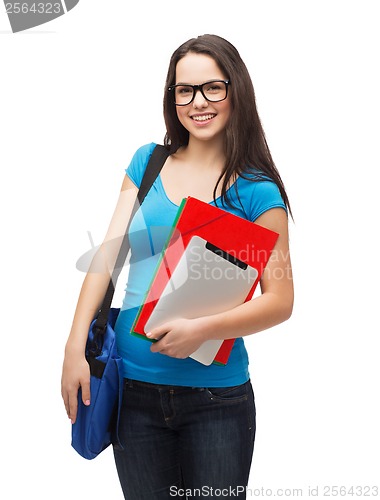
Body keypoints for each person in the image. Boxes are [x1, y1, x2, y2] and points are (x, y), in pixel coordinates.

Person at [61, 34, 294, 499]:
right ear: (173, 98)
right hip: (132, 392)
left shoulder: (256, 189)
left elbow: (281, 300)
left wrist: (202, 328)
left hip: (216, 401)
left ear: (236, 91)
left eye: (213, 88)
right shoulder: (147, 163)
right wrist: (72, 345)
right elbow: (107, 257)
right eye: (184, 90)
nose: (198, 102)